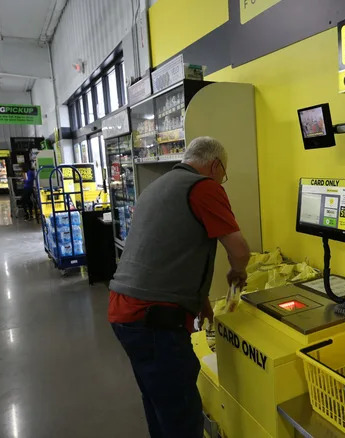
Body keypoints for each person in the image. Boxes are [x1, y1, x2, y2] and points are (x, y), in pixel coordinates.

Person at [108, 137, 251, 438]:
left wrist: (201, 301)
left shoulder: (158, 186)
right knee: (182, 415)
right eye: (222, 174)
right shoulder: (205, 187)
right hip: (154, 320)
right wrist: (237, 273)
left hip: (125, 313)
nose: (221, 180)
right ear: (215, 166)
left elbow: (171, 253)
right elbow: (239, 250)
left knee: (159, 404)